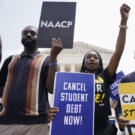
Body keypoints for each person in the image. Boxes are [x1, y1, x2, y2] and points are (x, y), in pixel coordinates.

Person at [48, 4, 130, 135]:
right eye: (89, 57)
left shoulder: (104, 77)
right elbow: (55, 92)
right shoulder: (74, 81)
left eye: (95, 57)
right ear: (84, 62)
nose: (92, 59)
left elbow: (118, 52)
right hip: (78, 129)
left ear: (99, 62)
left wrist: (123, 22)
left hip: (103, 129)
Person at [0, 25, 63, 135]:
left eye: (33, 33)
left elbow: (52, 88)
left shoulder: (48, 60)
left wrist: (53, 56)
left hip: (37, 124)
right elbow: (1, 85)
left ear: (40, 38)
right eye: (25, 33)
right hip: (7, 123)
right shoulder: (10, 60)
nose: (28, 34)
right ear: (21, 37)